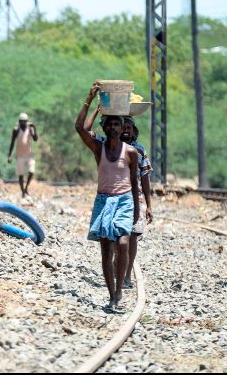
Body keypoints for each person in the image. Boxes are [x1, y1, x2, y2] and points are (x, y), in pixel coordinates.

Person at [75, 83, 140, 314]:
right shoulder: (98, 148)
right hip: (103, 201)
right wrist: (90, 100)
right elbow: (80, 128)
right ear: (104, 127)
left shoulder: (130, 152)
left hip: (123, 200)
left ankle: (120, 288)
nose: (113, 126)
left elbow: (134, 182)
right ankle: (112, 295)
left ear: (122, 127)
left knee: (123, 243)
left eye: (117, 123)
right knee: (105, 250)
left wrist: (137, 209)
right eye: (109, 123)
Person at [85, 109, 153, 289]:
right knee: (115, 240)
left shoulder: (138, 150)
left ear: (132, 130)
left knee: (131, 237)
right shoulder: (104, 145)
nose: (126, 131)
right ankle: (119, 271)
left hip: (134, 198)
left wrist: (148, 205)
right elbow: (86, 131)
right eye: (125, 127)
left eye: (129, 128)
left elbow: (144, 178)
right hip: (112, 198)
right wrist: (98, 109)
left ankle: (126, 276)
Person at [7, 112, 38, 197]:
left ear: (27, 121)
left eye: (24, 121)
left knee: (31, 172)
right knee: (21, 175)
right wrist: (9, 155)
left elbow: (35, 139)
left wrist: (34, 127)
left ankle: (26, 187)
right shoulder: (16, 130)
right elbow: (12, 143)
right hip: (19, 155)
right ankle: (23, 191)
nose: (23, 123)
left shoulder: (30, 129)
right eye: (21, 121)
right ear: (19, 121)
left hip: (29, 155)